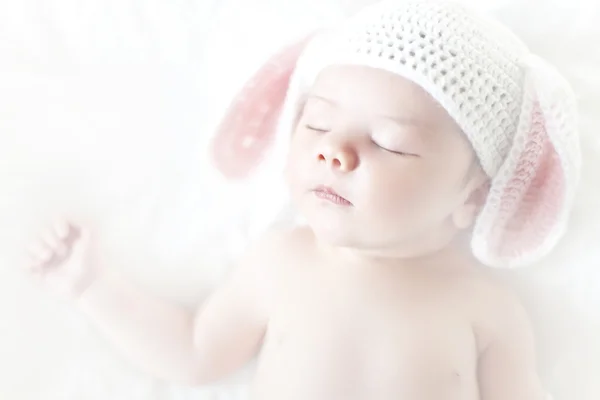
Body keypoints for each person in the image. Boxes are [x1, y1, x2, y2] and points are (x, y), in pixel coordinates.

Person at [23, 1, 580, 399]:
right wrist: (93, 288)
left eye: (390, 143)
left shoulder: (486, 308)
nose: (335, 151)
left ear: (472, 197)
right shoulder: (280, 262)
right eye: (317, 125)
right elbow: (195, 354)